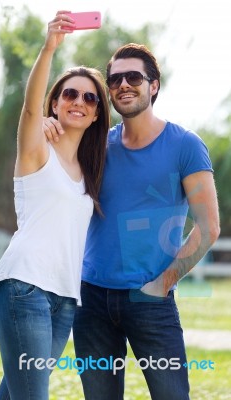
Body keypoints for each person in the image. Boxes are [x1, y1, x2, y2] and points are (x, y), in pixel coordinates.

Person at [44, 43, 220, 400]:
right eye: (115, 79)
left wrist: (163, 282)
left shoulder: (186, 145)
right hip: (90, 301)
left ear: (153, 85)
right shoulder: (96, 146)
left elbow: (209, 227)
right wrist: (49, 125)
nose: (124, 84)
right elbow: (48, 170)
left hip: (151, 301)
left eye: (134, 77)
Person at [0, 11, 110, 400]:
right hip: (24, 288)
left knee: (15, 394)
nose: (79, 102)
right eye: (69, 94)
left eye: (89, 98)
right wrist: (49, 48)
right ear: (54, 103)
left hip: (63, 302)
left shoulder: (91, 170)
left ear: (95, 114)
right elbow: (28, 110)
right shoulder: (36, 151)